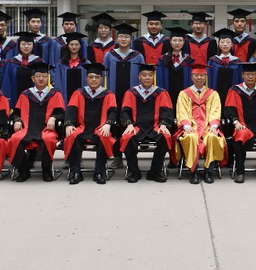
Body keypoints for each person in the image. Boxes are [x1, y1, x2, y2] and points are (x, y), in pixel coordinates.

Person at [7, 61, 65, 182]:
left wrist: (53, 118)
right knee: (14, 139)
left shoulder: (55, 94)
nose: (41, 79)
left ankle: (46, 171)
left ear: (48, 78)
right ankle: (23, 171)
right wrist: (17, 120)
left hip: (46, 129)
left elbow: (62, 113)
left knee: (48, 139)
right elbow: (15, 113)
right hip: (27, 129)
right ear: (33, 78)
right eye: (38, 76)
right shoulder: (25, 94)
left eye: (44, 76)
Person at [63, 63, 118, 185]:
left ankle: (100, 171)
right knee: (72, 135)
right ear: (86, 79)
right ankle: (75, 171)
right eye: (91, 77)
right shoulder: (79, 93)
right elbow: (71, 109)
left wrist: (108, 124)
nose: (94, 80)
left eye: (97, 77)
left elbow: (113, 111)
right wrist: (69, 124)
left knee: (104, 136)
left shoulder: (108, 94)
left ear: (101, 79)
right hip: (82, 127)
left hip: (100, 127)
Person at [119, 63, 175, 183]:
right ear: (139, 76)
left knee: (165, 137)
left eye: (150, 75)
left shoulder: (161, 92)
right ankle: (134, 171)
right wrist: (129, 124)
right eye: (144, 75)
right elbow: (125, 111)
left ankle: (155, 171)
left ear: (154, 76)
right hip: (136, 126)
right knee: (127, 138)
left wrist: (163, 124)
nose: (147, 78)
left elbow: (167, 111)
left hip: (155, 126)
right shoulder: (131, 92)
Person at [175, 64, 227, 184]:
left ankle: (208, 171)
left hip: (207, 127)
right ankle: (193, 171)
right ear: (191, 77)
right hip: (191, 127)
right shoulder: (184, 94)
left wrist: (213, 126)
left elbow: (216, 111)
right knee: (190, 137)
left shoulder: (213, 94)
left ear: (206, 77)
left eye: (202, 75)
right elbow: (181, 111)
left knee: (212, 137)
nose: (199, 78)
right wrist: (186, 126)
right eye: (196, 75)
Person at [102, 22, 144, 169]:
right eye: (121, 37)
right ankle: (117, 156)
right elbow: (104, 75)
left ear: (130, 39)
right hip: (114, 96)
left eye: (126, 37)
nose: (124, 39)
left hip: (132, 97)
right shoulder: (110, 55)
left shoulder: (137, 56)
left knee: (131, 124)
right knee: (116, 126)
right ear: (116, 38)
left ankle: (131, 156)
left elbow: (143, 76)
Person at [0, 32, 41, 109]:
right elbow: (7, 83)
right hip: (15, 101)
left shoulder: (38, 62)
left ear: (33, 45)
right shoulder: (11, 63)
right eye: (23, 44)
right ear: (19, 45)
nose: (26, 46)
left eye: (29, 44)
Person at [157, 26, 195, 109]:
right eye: (174, 40)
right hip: (166, 97)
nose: (177, 43)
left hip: (185, 98)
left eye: (180, 40)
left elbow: (191, 81)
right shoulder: (162, 60)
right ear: (170, 41)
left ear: (184, 42)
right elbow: (159, 80)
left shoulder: (189, 60)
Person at [51, 32, 90, 106]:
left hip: (82, 100)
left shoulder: (86, 64)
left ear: (80, 46)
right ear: (67, 46)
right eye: (71, 44)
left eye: (76, 44)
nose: (74, 47)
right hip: (65, 100)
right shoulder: (61, 64)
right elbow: (58, 84)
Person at [207, 28, 242, 106]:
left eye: (228, 42)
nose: (225, 44)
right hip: (216, 97)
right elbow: (209, 80)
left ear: (232, 44)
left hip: (233, 98)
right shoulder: (213, 61)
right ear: (218, 44)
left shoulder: (237, 62)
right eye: (222, 42)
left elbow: (240, 81)